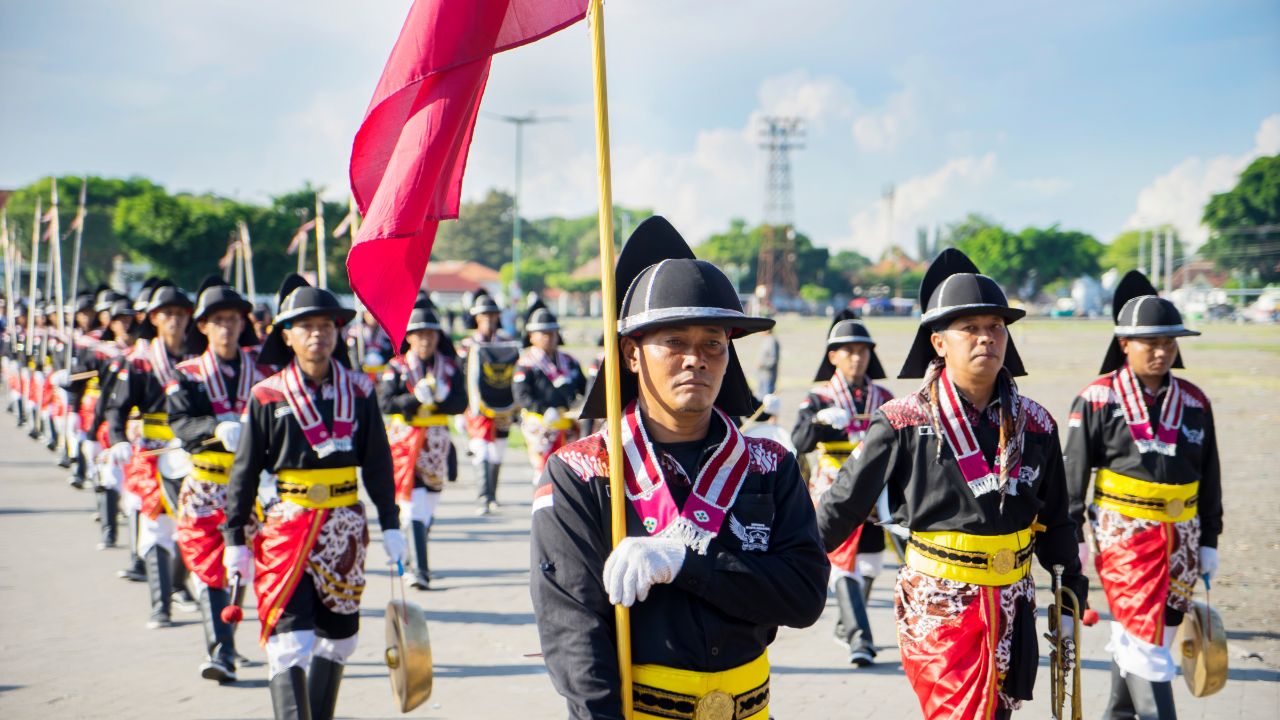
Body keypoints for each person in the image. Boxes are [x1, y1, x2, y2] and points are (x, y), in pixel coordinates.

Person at [530, 216, 829, 719]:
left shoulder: (770, 463)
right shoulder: (581, 472)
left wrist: (688, 566)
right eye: (674, 342)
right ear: (630, 354)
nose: (697, 359)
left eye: (713, 342)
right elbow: (573, 634)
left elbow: (802, 598)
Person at [816, 249, 1086, 719]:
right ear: (938, 342)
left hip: (1014, 603)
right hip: (938, 607)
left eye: (996, 327)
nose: (987, 338)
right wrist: (788, 569)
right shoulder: (901, 421)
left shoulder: (1037, 424)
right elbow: (840, 507)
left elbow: (1056, 519)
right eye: (971, 328)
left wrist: (1070, 600)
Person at [221, 275, 402, 720]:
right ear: (286, 336)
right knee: (290, 642)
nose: (317, 334)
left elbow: (378, 463)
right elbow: (244, 471)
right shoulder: (266, 395)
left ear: (338, 332)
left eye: (326, 325)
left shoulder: (360, 390)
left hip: (346, 527)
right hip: (288, 525)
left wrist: (392, 523)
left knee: (340, 641)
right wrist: (234, 539)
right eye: (306, 326)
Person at [1064, 270, 1221, 719]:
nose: (1160, 351)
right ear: (1124, 344)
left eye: (1169, 342)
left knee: (1156, 633)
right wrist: (1071, 534)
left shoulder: (1195, 401)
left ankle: (1117, 714)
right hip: (1124, 536)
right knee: (1146, 644)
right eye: (1149, 342)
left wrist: (1210, 538)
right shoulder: (1096, 399)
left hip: (1185, 536)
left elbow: (1211, 474)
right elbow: (1074, 472)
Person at [168, 279, 265, 683]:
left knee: (246, 569)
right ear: (204, 326)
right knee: (211, 568)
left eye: (233, 319)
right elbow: (180, 423)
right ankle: (221, 652)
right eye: (218, 320)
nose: (227, 327)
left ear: (244, 324)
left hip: (254, 487)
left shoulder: (263, 373)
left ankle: (231, 636)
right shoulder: (187, 374)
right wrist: (215, 426)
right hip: (206, 484)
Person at [791, 310, 894, 667]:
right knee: (841, 563)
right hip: (835, 488)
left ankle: (844, 625)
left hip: (876, 491)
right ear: (833, 356)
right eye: (847, 351)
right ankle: (859, 640)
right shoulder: (818, 399)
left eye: (862, 350)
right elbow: (799, 442)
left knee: (871, 563)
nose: (856, 357)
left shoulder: (885, 397)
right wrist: (818, 423)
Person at [103, 283, 198, 628]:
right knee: (157, 528)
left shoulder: (198, 361)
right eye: (166, 314)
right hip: (152, 453)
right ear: (154, 319)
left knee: (195, 523)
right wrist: (117, 439)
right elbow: (117, 408)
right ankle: (161, 605)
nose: (174, 320)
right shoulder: (140, 364)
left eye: (180, 314)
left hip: (193, 452)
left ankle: (177, 583)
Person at [378, 296, 467, 590]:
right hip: (406, 442)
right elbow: (386, 403)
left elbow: (461, 403)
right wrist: (413, 399)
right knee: (414, 506)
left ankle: (413, 558)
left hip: (437, 444)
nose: (424, 340)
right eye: (418, 335)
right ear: (409, 338)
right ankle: (421, 571)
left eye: (429, 334)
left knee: (426, 508)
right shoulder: (397, 367)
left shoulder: (451, 368)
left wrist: (442, 399)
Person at [459, 290, 520, 515]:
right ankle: (483, 496)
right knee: (481, 449)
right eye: (484, 316)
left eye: (492, 316)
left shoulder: (508, 342)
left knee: (498, 451)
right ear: (476, 318)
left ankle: (493, 494)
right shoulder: (467, 345)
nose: (489, 320)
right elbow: (461, 376)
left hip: (503, 405)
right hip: (477, 406)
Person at [514, 305, 586, 477]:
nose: (548, 337)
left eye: (552, 332)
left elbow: (583, 389)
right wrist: (544, 410)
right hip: (540, 424)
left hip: (567, 424)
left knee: (569, 473)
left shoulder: (569, 362)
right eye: (543, 333)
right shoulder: (526, 364)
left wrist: (580, 407)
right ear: (531, 337)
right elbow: (522, 395)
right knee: (544, 472)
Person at [754, 326, 779, 396]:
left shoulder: (772, 341)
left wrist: (762, 364)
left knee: (767, 399)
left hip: (768, 376)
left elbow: (773, 359)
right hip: (762, 375)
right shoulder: (766, 340)